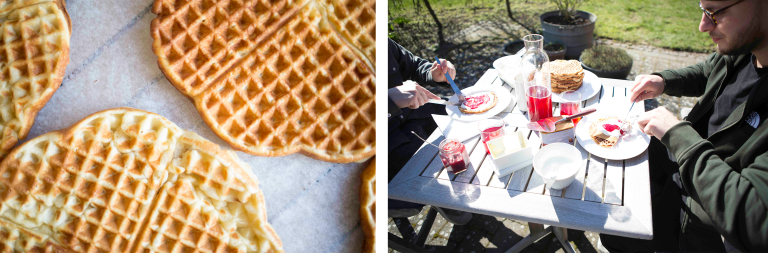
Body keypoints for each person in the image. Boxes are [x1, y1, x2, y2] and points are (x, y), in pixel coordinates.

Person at [600, 0, 768, 252]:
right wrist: (663, 81)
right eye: (703, 11)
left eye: (715, 12)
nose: (703, 25)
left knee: (615, 234)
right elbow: (707, 72)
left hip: (701, 217)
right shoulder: (746, 49)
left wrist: (679, 136)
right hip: (685, 161)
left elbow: (753, 218)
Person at [386, 37, 472, 225]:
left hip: (414, 114)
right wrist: (388, 100)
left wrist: (433, 73)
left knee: (459, 123)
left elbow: (413, 64)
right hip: (385, 146)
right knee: (430, 165)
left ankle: (465, 181)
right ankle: (449, 201)